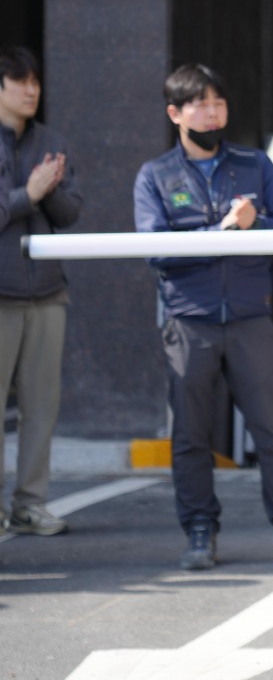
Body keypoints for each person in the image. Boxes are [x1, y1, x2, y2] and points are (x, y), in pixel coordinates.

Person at [133, 63, 273, 571]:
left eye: (218, 104)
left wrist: (255, 222)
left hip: (249, 318)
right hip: (187, 321)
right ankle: (199, 531)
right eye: (200, 104)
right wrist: (219, 231)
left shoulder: (255, 165)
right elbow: (156, 251)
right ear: (176, 113)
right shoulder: (156, 175)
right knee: (192, 435)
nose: (212, 113)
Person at [0, 46, 81, 537]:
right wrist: (25, 195)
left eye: (35, 82)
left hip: (48, 293)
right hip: (0, 294)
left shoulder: (51, 141)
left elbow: (71, 213)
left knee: (41, 408)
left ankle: (30, 504)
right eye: (19, 81)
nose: (31, 90)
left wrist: (47, 190)